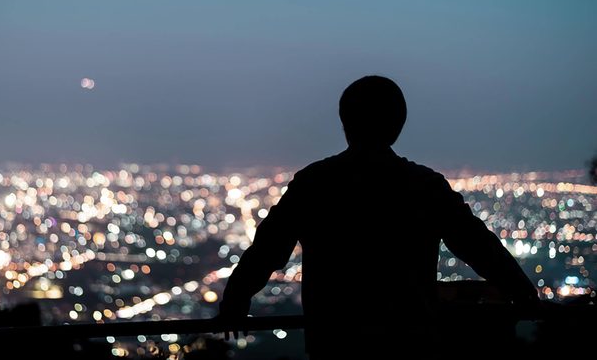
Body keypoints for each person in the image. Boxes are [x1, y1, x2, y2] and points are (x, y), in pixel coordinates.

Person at [218, 75, 538, 358]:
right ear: (398, 125)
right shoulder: (424, 186)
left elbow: (268, 249)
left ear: (345, 123)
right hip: (411, 341)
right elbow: (478, 246)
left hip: (335, 343)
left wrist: (235, 299)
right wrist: (522, 293)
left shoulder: (315, 183)